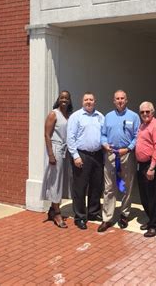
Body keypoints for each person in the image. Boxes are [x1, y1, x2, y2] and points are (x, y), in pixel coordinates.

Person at [97, 90, 140, 232]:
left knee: (127, 186)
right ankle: (107, 218)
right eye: (117, 99)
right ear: (114, 101)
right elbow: (103, 134)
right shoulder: (108, 116)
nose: (120, 101)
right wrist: (104, 144)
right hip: (110, 154)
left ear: (126, 100)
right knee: (109, 188)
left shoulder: (134, 116)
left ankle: (124, 214)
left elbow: (137, 136)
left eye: (122, 98)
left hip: (126, 154)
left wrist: (128, 149)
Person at [67, 92, 104, 230]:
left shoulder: (100, 117)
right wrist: (75, 156)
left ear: (95, 101)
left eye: (91, 99)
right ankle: (80, 217)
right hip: (82, 155)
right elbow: (70, 137)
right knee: (80, 187)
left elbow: (104, 135)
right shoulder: (76, 117)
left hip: (98, 155)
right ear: (82, 101)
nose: (89, 102)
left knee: (96, 186)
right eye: (86, 99)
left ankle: (93, 212)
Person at [41, 90, 73, 228]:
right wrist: (51, 155)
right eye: (62, 97)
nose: (64, 100)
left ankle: (52, 210)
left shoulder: (68, 115)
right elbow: (47, 135)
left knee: (61, 181)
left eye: (66, 98)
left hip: (64, 150)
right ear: (58, 99)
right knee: (55, 182)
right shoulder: (54, 114)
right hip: (55, 149)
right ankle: (57, 214)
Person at [135, 101, 156, 237]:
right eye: (142, 112)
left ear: (153, 112)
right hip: (141, 165)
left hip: (150, 166)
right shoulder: (143, 125)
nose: (145, 114)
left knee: (153, 197)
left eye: (147, 111)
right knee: (144, 196)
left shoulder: (155, 125)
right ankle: (151, 220)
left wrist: (152, 168)